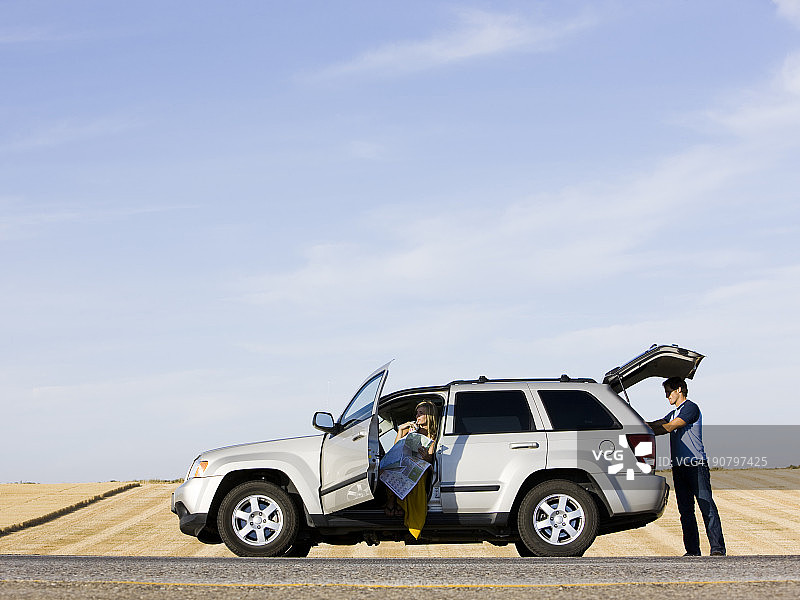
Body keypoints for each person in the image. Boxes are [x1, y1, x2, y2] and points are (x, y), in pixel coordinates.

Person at [648, 377, 726, 556]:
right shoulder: (673, 412)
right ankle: (692, 551)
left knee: (706, 506)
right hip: (679, 467)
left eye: (669, 392)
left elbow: (668, 427)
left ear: (680, 390)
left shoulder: (691, 408)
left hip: (696, 466)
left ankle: (717, 549)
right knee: (685, 510)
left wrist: (648, 430)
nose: (667, 396)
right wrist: (637, 424)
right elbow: (658, 423)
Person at [383, 401, 437, 539]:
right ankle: (392, 503)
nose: (417, 416)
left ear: (429, 416)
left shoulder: (433, 436)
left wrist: (426, 456)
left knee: (417, 476)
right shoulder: (411, 430)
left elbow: (430, 460)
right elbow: (395, 449)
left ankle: (404, 508)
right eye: (417, 413)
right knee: (388, 469)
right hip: (406, 462)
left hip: (421, 465)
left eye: (421, 413)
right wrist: (401, 430)